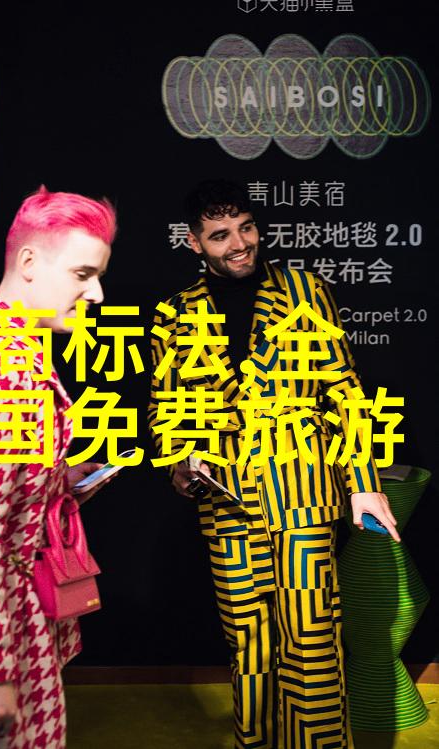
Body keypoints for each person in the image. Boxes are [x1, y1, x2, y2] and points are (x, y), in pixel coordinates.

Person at [148, 179, 400, 749]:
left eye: (246, 228)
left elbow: (345, 392)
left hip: (303, 486)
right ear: (194, 242)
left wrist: (362, 484)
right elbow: (167, 404)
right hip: (227, 500)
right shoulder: (176, 313)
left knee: (312, 636)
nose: (239, 244)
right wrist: (180, 465)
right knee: (250, 643)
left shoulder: (306, 292)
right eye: (220, 235)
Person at [0, 186, 116, 747]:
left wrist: (53, 481)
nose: (96, 294)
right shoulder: (0, 367)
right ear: (30, 262)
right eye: (83, 274)